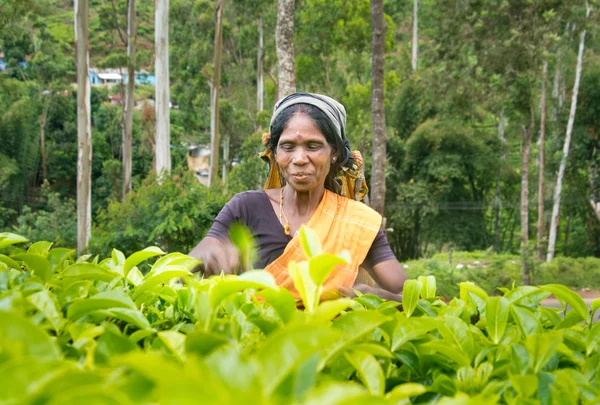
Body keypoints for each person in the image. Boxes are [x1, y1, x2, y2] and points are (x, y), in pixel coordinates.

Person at [189, 93, 407, 301]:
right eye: (288, 146)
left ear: (335, 153)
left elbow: (413, 297)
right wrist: (205, 253)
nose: (300, 158)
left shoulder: (357, 223)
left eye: (313, 146)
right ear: (274, 153)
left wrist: (367, 297)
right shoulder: (245, 208)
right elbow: (196, 257)